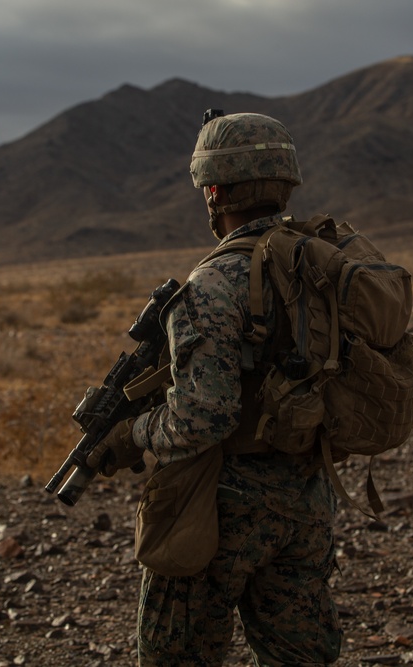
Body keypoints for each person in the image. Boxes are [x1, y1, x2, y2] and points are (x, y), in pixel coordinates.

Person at [87, 111, 343, 666]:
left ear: (216, 191)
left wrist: (133, 434)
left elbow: (203, 415)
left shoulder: (214, 282)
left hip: (219, 505)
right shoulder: (318, 265)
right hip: (306, 496)